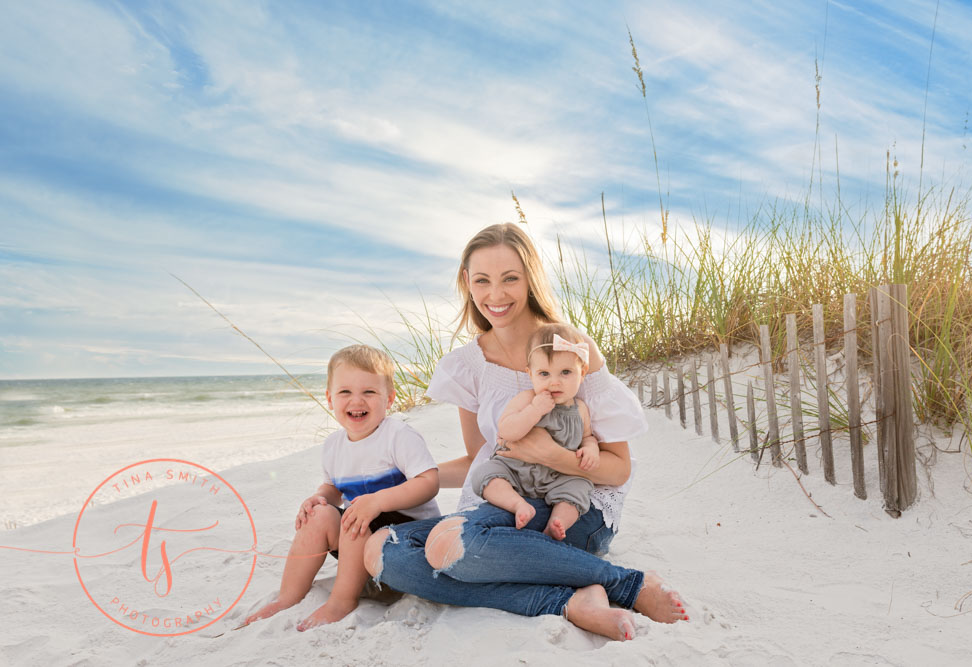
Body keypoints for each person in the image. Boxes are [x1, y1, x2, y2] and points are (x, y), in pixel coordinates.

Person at [362, 223, 687, 641]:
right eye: (482, 280)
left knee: (454, 545)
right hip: (500, 507)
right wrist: (396, 485)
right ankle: (570, 601)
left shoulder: (570, 350)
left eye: (510, 278)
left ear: (530, 278)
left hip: (571, 507)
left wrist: (548, 454)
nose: (495, 295)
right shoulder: (468, 364)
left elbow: (618, 469)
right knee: (384, 551)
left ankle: (627, 583)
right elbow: (479, 460)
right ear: (467, 282)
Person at [246, 345, 440, 630]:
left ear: (389, 399)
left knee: (359, 513)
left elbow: (429, 483)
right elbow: (332, 488)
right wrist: (317, 499)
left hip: (407, 543)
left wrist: (377, 501)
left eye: (369, 392)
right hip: (360, 542)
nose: (356, 400)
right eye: (345, 392)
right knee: (320, 515)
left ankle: (341, 601)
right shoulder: (333, 446)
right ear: (329, 399)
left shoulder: (398, 435)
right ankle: (288, 596)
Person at [472, 323, 600, 540]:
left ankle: (556, 524)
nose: (554, 382)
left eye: (566, 372)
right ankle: (517, 504)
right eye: (544, 374)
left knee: (579, 487)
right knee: (485, 475)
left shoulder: (580, 409)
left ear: (583, 372)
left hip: (557, 476)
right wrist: (534, 411)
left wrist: (590, 449)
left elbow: (587, 436)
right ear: (530, 374)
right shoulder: (527, 399)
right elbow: (507, 431)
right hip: (514, 470)